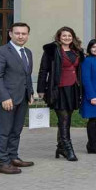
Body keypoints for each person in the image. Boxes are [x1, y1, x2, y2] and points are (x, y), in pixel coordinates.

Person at [0, 22, 35, 174]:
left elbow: (27, 75)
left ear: (28, 35)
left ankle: (13, 157)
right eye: (17, 33)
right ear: (10, 34)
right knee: (4, 131)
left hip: (22, 97)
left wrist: (30, 92)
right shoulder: (1, 52)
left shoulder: (28, 52)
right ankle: (3, 163)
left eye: (24, 33)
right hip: (7, 99)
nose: (21, 36)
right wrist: (4, 97)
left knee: (16, 130)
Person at [38, 26, 84, 162]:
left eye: (69, 36)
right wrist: (41, 89)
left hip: (73, 88)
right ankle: (68, 148)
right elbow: (43, 70)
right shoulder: (51, 50)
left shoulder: (77, 51)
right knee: (64, 119)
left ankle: (61, 147)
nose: (67, 38)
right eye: (64, 36)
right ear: (59, 37)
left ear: (73, 37)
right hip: (57, 88)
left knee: (66, 119)